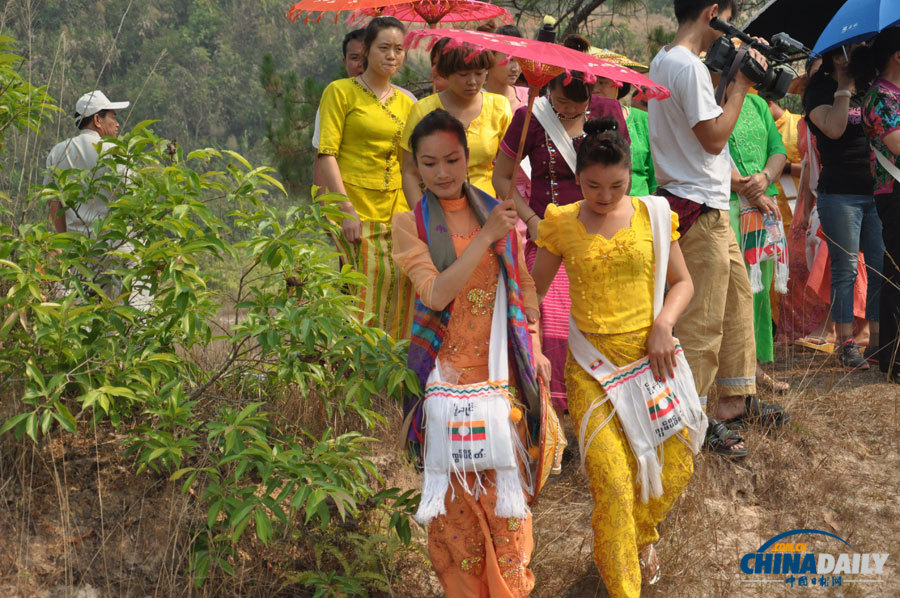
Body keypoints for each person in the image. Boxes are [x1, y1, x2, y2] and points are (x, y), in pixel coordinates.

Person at [531, 117, 696, 597]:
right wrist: (533, 345)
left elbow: (683, 283)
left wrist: (664, 324)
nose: (604, 196)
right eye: (592, 186)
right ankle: (624, 585)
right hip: (591, 370)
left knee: (677, 465)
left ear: (631, 175)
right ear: (577, 177)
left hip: (651, 360)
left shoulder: (654, 215)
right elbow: (531, 293)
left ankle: (638, 535)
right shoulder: (561, 222)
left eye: (617, 185)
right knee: (614, 483)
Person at [392, 109, 548, 597]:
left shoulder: (495, 210)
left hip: (503, 377)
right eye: (430, 163)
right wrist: (486, 237)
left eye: (452, 160)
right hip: (447, 381)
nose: (443, 173)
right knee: (457, 520)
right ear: (416, 166)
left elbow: (522, 286)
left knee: (507, 513)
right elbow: (436, 294)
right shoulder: (411, 225)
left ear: (467, 156)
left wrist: (535, 343)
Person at [648, 0, 789, 459]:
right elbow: (712, 137)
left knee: (736, 303)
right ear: (714, 13)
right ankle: (693, 417)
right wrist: (743, 85)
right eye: (731, 21)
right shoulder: (685, 66)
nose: (733, 31)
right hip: (697, 203)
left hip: (707, 200)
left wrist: (732, 71)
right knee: (703, 319)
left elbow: (702, 113)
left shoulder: (668, 60)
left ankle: (734, 400)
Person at [493, 35, 629, 412]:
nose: (570, 111)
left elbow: (621, 174)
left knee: (598, 324)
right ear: (549, 88)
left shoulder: (608, 110)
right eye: (563, 102)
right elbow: (501, 177)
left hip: (600, 235)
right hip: (549, 236)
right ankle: (552, 413)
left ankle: (598, 406)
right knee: (550, 324)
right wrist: (532, 220)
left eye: (579, 104)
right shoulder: (530, 116)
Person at [316, 17, 416, 339]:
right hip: (354, 206)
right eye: (384, 48)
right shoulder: (340, 92)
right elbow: (326, 153)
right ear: (368, 49)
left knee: (397, 293)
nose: (392, 56)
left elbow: (409, 166)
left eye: (398, 49)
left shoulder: (407, 102)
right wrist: (345, 210)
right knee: (357, 296)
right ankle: (352, 363)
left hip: (396, 208)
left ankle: (390, 366)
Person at [803, 47, 884, 370]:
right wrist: (844, 88)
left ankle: (879, 342)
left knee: (880, 267)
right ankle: (846, 343)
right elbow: (834, 129)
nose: (859, 52)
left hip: (875, 192)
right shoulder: (818, 92)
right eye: (853, 49)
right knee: (846, 269)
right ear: (837, 56)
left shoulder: (870, 87)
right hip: (839, 195)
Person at [727, 90, 789, 393]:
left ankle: (753, 367)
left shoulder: (756, 103)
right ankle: (732, 370)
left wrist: (765, 177)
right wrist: (749, 190)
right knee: (734, 288)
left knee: (759, 288)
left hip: (763, 209)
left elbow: (778, 149)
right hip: (727, 205)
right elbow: (705, 155)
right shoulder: (707, 102)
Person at [401, 40, 510, 205]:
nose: (472, 81)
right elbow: (409, 171)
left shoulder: (499, 106)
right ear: (446, 73)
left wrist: (504, 209)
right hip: (437, 207)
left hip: (486, 206)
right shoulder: (423, 110)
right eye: (463, 75)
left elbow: (506, 172)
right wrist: (422, 214)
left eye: (479, 73)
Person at [855, 26, 900, 381]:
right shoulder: (881, 96)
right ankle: (895, 359)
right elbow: (896, 143)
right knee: (897, 273)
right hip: (894, 192)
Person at [47, 90, 129, 236]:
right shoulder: (115, 152)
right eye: (113, 118)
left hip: (77, 244)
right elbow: (133, 197)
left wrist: (66, 239)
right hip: (114, 243)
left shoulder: (58, 152)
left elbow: (54, 203)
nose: (117, 124)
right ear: (97, 120)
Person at [483, 25, 528, 114]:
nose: (516, 69)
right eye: (510, 60)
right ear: (490, 57)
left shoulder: (529, 97)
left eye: (520, 60)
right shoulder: (474, 100)